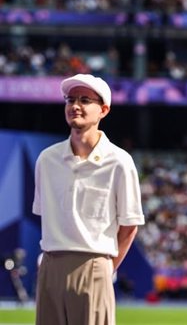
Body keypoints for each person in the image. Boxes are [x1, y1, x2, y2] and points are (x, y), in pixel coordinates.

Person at [32, 74, 145, 325]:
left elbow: (129, 226)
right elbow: (45, 216)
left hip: (94, 263)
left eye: (85, 100)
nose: (75, 106)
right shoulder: (46, 160)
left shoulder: (119, 161)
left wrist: (104, 268)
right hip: (50, 265)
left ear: (103, 109)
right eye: (70, 99)